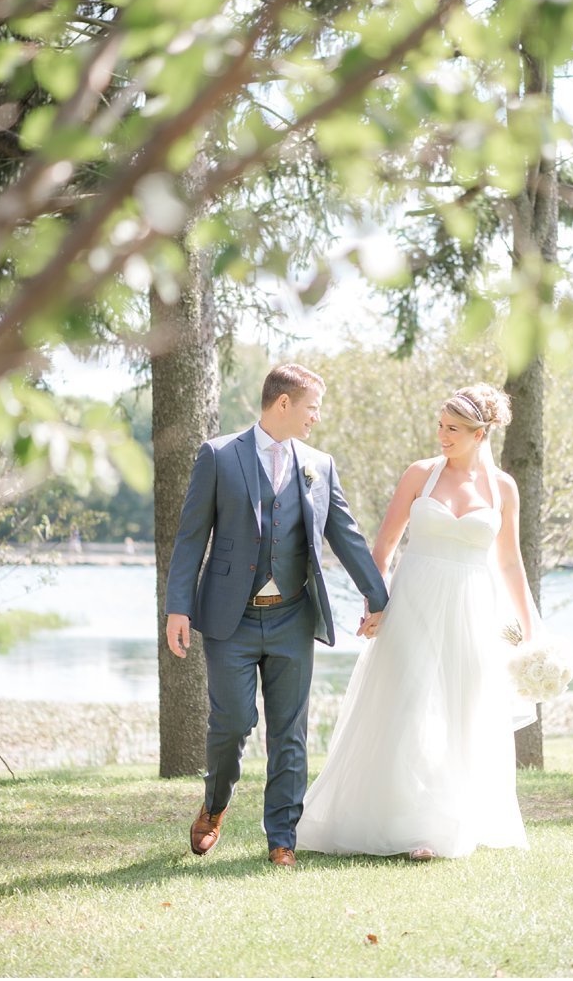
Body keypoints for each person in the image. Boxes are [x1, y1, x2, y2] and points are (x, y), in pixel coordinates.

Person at [297, 383, 539, 859]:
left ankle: (441, 826)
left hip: (473, 610)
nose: (442, 435)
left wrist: (531, 628)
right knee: (409, 705)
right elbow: (383, 549)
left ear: (480, 433)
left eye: (452, 429)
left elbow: (510, 562)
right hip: (413, 604)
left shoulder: (502, 487)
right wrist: (374, 605)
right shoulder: (420, 475)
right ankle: (403, 822)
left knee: (461, 711)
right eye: (440, 426)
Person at [165, 363, 389, 869]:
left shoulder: (319, 464)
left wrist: (379, 596)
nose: (317, 417)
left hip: (291, 617)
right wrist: (178, 607)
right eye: (312, 407)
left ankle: (281, 837)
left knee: (290, 730)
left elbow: (346, 536)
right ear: (283, 404)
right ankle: (215, 804)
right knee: (233, 721)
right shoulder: (220, 456)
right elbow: (190, 537)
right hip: (231, 618)